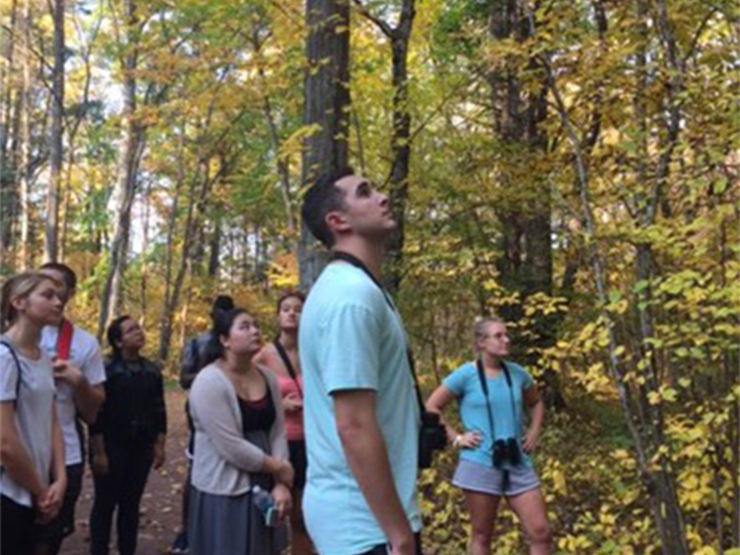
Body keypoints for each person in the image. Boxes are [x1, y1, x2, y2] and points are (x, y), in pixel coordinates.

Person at [299, 168, 422, 555]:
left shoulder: (360, 288)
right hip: (365, 525)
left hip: (371, 518)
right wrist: (399, 535)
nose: (383, 197)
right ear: (337, 222)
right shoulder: (350, 298)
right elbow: (352, 425)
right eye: (365, 193)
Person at [425, 317, 550, 555]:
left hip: (517, 460)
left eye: (507, 335)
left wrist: (534, 431)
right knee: (482, 535)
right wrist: (456, 438)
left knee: (540, 532)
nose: (506, 340)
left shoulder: (518, 374)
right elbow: (432, 405)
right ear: (481, 342)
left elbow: (536, 402)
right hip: (480, 461)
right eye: (499, 335)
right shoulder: (465, 375)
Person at [188, 307, 292, 555]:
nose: (255, 331)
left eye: (255, 325)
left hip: (265, 484)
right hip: (225, 489)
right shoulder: (208, 382)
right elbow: (230, 446)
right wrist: (279, 468)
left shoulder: (267, 377)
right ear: (224, 340)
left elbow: (278, 430)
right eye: (244, 326)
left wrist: (280, 483)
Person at [37, 262, 106, 555]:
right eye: (41, 282)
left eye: (56, 284)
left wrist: (79, 382)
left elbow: (93, 412)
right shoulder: (9, 339)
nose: (49, 289)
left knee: (49, 536)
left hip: (64, 451)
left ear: (69, 294)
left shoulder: (84, 343)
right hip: (14, 448)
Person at [0, 272, 67, 554]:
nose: (59, 301)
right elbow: (4, 441)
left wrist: (60, 479)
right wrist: (41, 491)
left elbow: (51, 421)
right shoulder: (4, 356)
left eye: (59, 296)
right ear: (19, 303)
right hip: (8, 491)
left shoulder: (40, 357)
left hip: (38, 490)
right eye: (47, 295)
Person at [88, 315, 167, 555]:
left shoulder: (151, 370)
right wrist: (99, 451)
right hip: (111, 446)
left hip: (140, 446)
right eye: (131, 330)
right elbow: (96, 415)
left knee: (131, 504)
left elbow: (159, 408)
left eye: (139, 328)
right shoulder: (106, 370)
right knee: (105, 503)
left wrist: (159, 444)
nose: (139, 333)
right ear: (118, 341)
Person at [170, 294, 234, 554]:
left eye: (226, 313)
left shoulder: (239, 343)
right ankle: (187, 530)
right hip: (201, 412)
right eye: (217, 312)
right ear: (211, 315)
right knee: (196, 468)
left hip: (234, 412)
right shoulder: (198, 343)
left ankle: (226, 528)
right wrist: (213, 374)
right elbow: (184, 378)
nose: (220, 317)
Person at [254, 290, 312, 555]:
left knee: (301, 515)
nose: (292, 313)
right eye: (286, 308)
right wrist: (280, 404)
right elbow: (245, 391)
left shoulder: (313, 351)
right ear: (278, 316)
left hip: (310, 442)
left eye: (298, 309)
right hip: (278, 443)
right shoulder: (264, 354)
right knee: (271, 511)